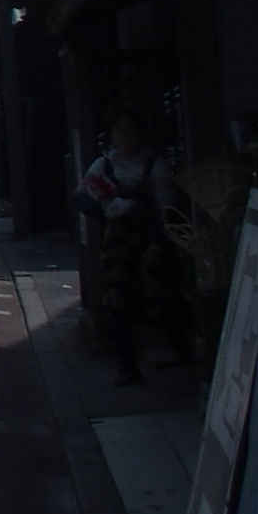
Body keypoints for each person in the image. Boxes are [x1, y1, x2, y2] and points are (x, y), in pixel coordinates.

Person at [80, 115, 175, 385]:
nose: (125, 136)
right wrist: (104, 207)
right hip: (117, 245)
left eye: (130, 130)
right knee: (117, 302)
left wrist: (158, 241)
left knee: (160, 297)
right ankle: (127, 365)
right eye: (119, 130)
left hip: (151, 240)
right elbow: (82, 195)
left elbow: (166, 209)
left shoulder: (155, 165)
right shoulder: (104, 164)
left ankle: (178, 350)